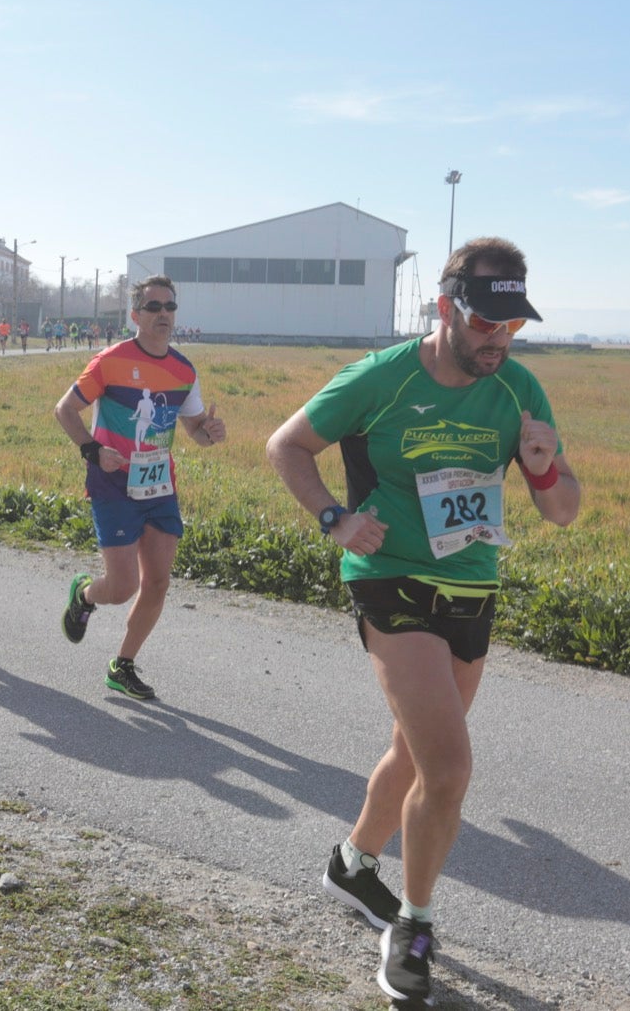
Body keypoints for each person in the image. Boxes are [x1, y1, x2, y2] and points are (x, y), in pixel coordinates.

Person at [265, 237, 581, 1006]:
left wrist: (542, 466)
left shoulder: (519, 390)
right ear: (446, 309)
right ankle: (413, 926)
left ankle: (351, 861)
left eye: (511, 327)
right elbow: (288, 445)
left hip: (472, 586)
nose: (497, 340)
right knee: (449, 768)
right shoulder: (383, 376)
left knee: (413, 751)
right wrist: (335, 518)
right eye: (484, 323)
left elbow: (564, 510)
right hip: (390, 579)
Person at [53, 275, 226, 700]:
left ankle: (122, 664)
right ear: (135, 315)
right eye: (154, 307)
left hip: (158, 484)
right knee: (123, 585)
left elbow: (194, 432)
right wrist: (93, 451)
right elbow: (65, 410)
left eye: (170, 306)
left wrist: (211, 433)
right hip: (113, 483)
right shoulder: (109, 361)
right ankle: (85, 594)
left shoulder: (184, 369)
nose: (164, 314)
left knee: (158, 583)